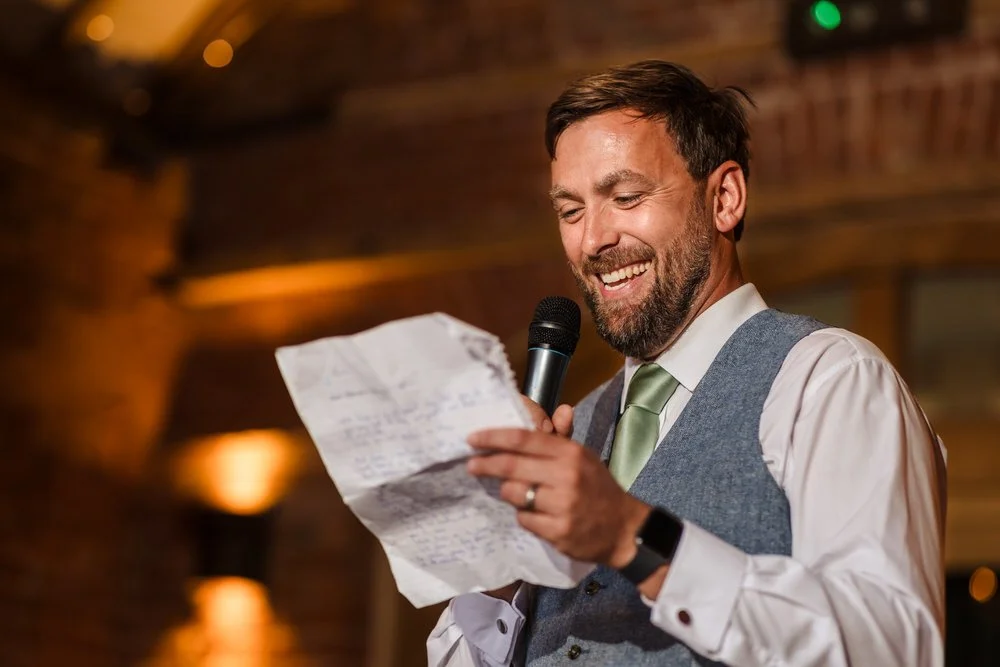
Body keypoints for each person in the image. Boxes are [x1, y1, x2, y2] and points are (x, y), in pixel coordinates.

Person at [426, 60, 946, 666]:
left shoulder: (828, 379)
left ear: (723, 198)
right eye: (570, 212)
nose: (593, 240)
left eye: (625, 197)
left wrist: (631, 536)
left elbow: (891, 648)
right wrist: (498, 564)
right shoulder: (579, 424)